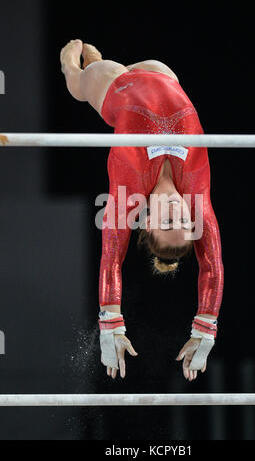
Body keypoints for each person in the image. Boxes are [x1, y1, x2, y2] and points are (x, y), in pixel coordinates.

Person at [60, 39, 224, 382]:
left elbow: (111, 257)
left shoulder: (127, 194)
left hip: (117, 89)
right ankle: (96, 60)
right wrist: (205, 330)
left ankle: (71, 64)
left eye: (168, 220)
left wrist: (111, 324)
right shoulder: (197, 194)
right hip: (164, 75)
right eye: (184, 220)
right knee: (109, 66)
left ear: (145, 221)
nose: (179, 211)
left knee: (80, 77)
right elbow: (212, 264)